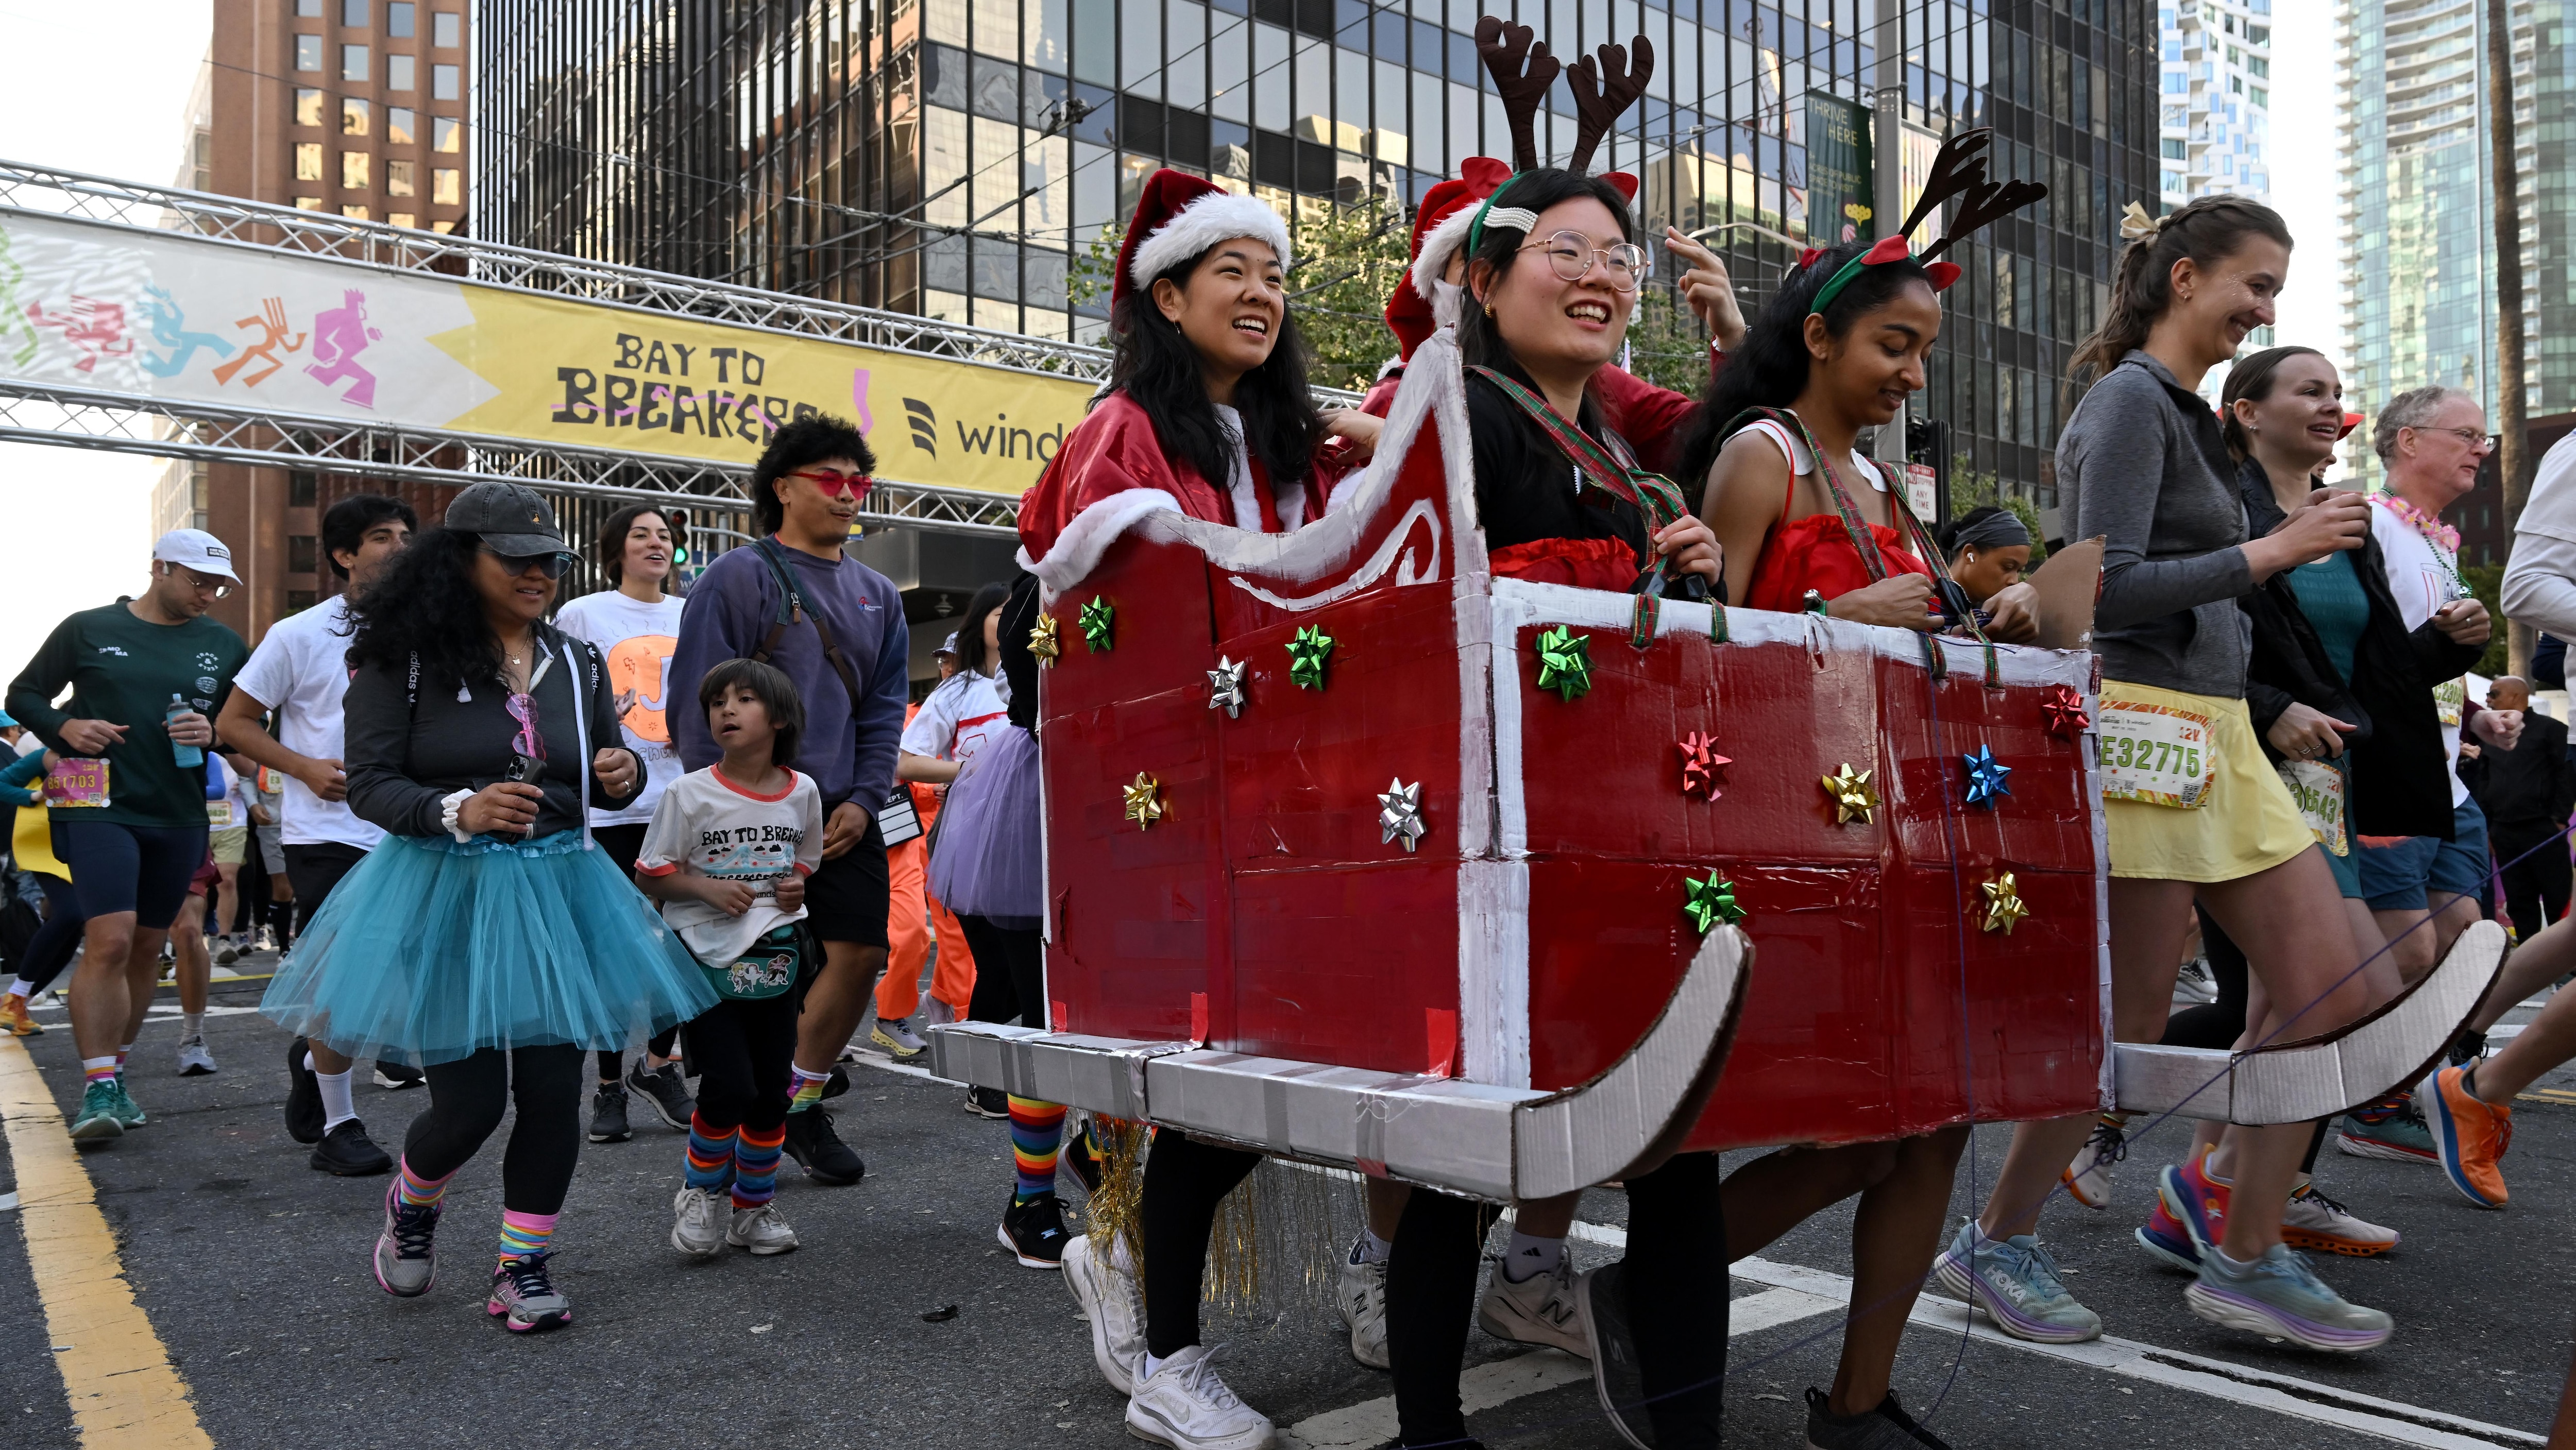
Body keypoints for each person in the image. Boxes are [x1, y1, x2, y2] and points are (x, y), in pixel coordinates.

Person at [1934, 195, 2394, 1354]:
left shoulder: (2192, 417)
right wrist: (2272, 549)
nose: (2264, 307)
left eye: (2276, 290)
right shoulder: (2127, 404)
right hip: (2142, 734)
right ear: (2184, 278)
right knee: (2128, 1027)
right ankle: (1998, 1238)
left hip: (2218, 738)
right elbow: (2103, 588)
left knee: (2334, 984)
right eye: (2254, 283)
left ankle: (2240, 1242)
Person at [1377, 162, 1728, 1450]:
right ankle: (1430, 1433)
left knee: (1675, 1133)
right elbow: (1422, 597)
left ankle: (1685, 1427)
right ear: (1478, 277)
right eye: (1566, 250)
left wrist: (1693, 567)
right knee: (1475, 1144)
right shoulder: (1447, 403)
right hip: (1484, 828)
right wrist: (1630, 569)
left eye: (1620, 260)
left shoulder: (1626, 453)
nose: (1604, 276)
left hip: (1624, 820)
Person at [1677, 230, 2030, 1448]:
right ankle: (1653, 1290)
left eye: (1923, 351)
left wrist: (2001, 622)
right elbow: (1690, 656)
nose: (1912, 376)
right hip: (1782, 841)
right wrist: (1831, 609)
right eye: (1895, 345)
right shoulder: (1756, 456)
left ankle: (1862, 1401)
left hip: (1893, 842)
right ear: (1818, 337)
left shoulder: (1889, 493)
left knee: (1935, 1116)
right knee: (1860, 1127)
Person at [1032, 165, 1359, 1450]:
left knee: (1276, 1073)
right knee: (1216, 1085)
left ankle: (1113, 1243)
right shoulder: (1121, 431)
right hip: (1167, 810)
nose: (1262, 295)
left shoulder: (1293, 445)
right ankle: (1170, 1356)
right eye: (1232, 271)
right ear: (1165, 296)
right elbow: (1123, 623)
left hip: (1290, 802)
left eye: (1274, 276)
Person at [259, 482, 716, 1334]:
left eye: (548, 561)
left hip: (558, 886)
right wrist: (456, 810)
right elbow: (370, 784)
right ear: (459, 561)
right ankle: (415, 1197)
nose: (538, 573)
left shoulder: (577, 659)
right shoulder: (403, 657)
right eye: (516, 558)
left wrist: (619, 771)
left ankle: (524, 1265)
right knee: (467, 1107)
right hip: (445, 890)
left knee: (553, 1091)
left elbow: (603, 760)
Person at [2126, 344, 2476, 1266]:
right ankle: (2229, 1202)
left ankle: (2216, 1190)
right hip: (2244, 771)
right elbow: (2196, 638)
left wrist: (2446, 649)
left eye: (2337, 393)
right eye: (2309, 391)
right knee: (2332, 993)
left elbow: (2364, 671)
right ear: (2245, 411)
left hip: (2333, 787)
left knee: (2297, 1003)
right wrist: (2274, 711)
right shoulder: (2222, 512)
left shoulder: (2340, 516)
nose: (2332, 407)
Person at [669, 416, 911, 1189]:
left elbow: (883, 710)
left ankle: (796, 1102)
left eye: (859, 481)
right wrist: (724, 809)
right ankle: (747, 1122)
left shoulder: (880, 593)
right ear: (784, 486)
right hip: (749, 813)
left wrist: (868, 800)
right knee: (758, 976)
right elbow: (697, 703)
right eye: (831, 479)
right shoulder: (739, 576)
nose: (849, 495)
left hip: (842, 810)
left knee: (862, 954)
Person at [6, 528, 250, 1145]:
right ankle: (96, 1087)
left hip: (178, 812)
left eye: (219, 585)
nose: (210, 594)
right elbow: (23, 694)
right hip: (94, 804)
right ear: (158, 568)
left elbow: (246, 722)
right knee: (109, 939)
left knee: (147, 948)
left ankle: (115, 1074)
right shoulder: (87, 628)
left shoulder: (223, 644)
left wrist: (213, 733)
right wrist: (67, 725)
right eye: (198, 580)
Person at [217, 492, 417, 1175]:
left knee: (392, 974)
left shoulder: (432, 631)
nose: (400, 546)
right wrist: (302, 766)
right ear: (344, 554)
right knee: (341, 972)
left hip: (412, 826)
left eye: (405, 535)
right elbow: (235, 722)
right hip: (326, 830)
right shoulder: (297, 633)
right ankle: (341, 1123)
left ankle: (311, 1054)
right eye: (382, 536)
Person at [637, 658, 824, 1258]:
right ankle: (700, 1192)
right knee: (728, 1085)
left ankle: (754, 1205)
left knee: (772, 1091)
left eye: (743, 699)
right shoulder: (687, 793)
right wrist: (705, 889)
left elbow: (805, 859)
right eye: (717, 701)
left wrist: (795, 886)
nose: (726, 710)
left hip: (775, 959)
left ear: (778, 717)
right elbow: (652, 873)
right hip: (702, 957)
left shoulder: (804, 791)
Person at [2352, 385, 2517, 983]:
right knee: (2406, 954)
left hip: (2447, 784)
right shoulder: (2364, 523)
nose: (2482, 450)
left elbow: (2430, 655)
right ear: (2408, 440)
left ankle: (2430, 1075)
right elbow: (2364, 653)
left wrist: (2477, 714)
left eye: (2485, 438)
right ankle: (2370, 1077)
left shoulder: (2437, 540)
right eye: (2467, 436)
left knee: (2462, 943)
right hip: (2385, 779)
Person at [553, 503, 698, 1143]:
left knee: (679, 943)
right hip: (609, 806)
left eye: (665, 536)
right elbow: (552, 697)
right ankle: (608, 1085)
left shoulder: (691, 613)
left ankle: (659, 1064)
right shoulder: (584, 613)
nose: (655, 544)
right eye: (641, 535)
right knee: (610, 949)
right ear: (616, 548)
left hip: (681, 800)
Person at [897, 587, 1013, 1107]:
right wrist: (966, 772)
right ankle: (985, 1082)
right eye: (998, 610)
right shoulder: (959, 689)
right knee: (996, 962)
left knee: (1028, 968)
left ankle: (1013, 1080)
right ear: (977, 624)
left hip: (1031, 832)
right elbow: (904, 759)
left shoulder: (1045, 669)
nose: (1011, 617)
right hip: (969, 835)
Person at [871, 670, 975, 1059]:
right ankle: (827, 1025)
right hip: (869, 835)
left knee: (939, 934)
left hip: (922, 837)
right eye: (944, 662)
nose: (949, 668)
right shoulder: (838, 711)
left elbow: (926, 776)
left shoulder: (923, 714)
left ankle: (947, 1013)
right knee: (905, 934)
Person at [2461, 678, 2571, 941]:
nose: (2488, 700)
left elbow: (2566, 775)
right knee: (2519, 900)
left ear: (2516, 697)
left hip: (2543, 828)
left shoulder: (2551, 729)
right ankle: (2530, 963)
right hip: (2504, 831)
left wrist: (2559, 818)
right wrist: (2488, 827)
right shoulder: (2491, 734)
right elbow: (2484, 780)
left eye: (2494, 694)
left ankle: (2568, 963)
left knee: (2558, 897)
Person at [0, 746, 77, 1037]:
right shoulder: (48, 754)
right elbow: (2, 783)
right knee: (72, 914)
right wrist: (34, 796)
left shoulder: (117, 752)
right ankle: (16, 997)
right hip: (46, 846)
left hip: (90, 846)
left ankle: (19, 1003)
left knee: (74, 926)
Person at [1940, 505, 2036, 610]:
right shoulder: (1924, 609)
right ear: (1970, 555)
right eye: (2007, 567)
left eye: (2019, 571)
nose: (2014, 581)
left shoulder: (1993, 616)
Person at [204, 749, 250, 967]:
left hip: (233, 820)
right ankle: (193, 937)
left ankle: (224, 940)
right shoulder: (190, 728)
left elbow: (256, 767)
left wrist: (250, 783)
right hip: (195, 819)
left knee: (227, 880)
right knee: (196, 885)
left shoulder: (236, 732)